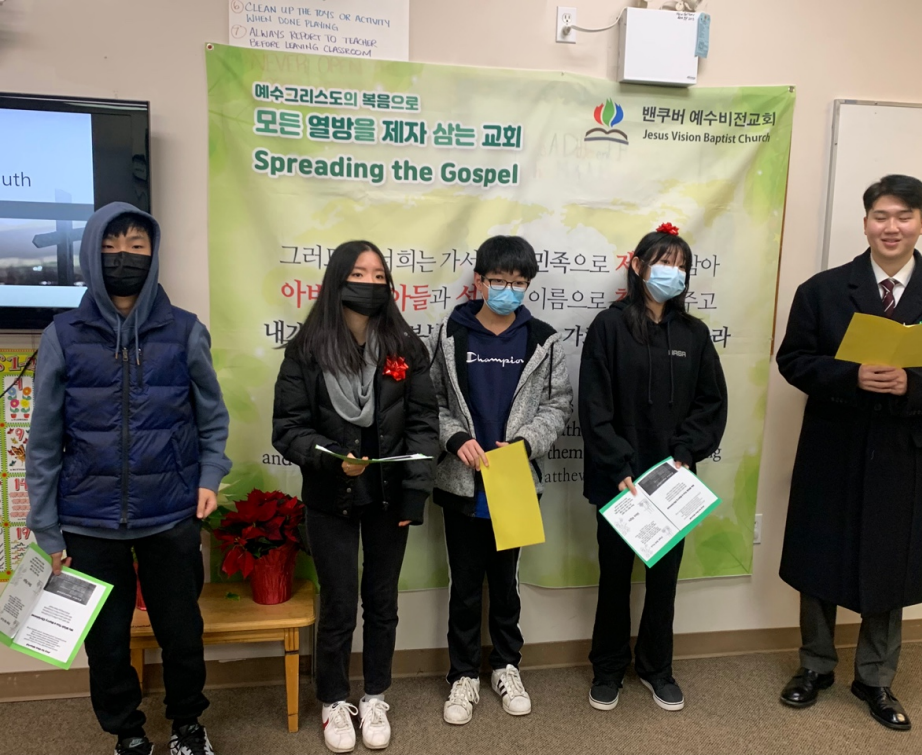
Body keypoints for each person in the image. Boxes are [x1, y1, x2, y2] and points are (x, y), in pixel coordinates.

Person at [776, 175, 922, 731]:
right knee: (819, 556)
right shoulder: (821, 291)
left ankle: (875, 678)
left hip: (904, 452)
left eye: (904, 217)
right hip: (834, 444)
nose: (892, 227)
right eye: (881, 216)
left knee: (892, 565)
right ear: (865, 222)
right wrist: (851, 376)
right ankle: (814, 666)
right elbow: (793, 360)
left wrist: (912, 384)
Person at [26, 203, 231, 755]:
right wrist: (46, 527)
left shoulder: (185, 330)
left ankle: (188, 725)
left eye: (137, 246)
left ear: (153, 254)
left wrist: (210, 474)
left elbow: (212, 417)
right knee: (107, 642)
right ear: (91, 254)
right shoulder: (63, 335)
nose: (124, 257)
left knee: (181, 632)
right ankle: (129, 734)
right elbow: (43, 440)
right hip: (86, 519)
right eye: (111, 247)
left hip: (170, 512)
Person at [272, 240, 438, 752]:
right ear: (338, 280)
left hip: (389, 497)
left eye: (379, 275)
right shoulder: (307, 350)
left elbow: (423, 425)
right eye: (359, 274)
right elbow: (288, 428)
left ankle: (375, 695)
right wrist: (328, 458)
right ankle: (333, 700)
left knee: (382, 602)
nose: (370, 283)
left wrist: (415, 495)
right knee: (340, 604)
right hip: (331, 497)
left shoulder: (405, 347)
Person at [579, 223, 728, 713]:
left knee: (664, 582)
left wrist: (685, 453)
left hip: (673, 480)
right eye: (664, 262)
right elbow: (594, 405)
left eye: (681, 266)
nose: (673, 273)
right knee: (614, 578)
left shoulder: (693, 333)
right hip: (618, 479)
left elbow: (711, 402)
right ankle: (607, 668)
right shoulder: (608, 327)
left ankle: (656, 668)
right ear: (639, 266)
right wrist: (618, 462)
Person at [428, 235, 573, 726]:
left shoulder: (542, 338)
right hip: (461, 480)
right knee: (465, 585)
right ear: (479, 280)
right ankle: (463, 674)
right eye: (498, 281)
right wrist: (455, 439)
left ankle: (507, 666)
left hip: (514, 480)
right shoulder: (450, 334)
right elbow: (431, 401)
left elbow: (558, 403)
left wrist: (526, 443)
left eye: (518, 283)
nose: (508, 290)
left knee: (506, 585)